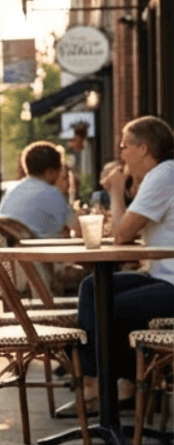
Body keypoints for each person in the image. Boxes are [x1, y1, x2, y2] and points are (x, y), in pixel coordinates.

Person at [76, 115, 174, 406]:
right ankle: (97, 382)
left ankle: (126, 386)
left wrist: (116, 190)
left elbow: (120, 235)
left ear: (143, 148)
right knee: (92, 287)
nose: (121, 153)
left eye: (125, 145)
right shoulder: (163, 173)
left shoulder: (163, 174)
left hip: (169, 281)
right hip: (161, 274)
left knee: (106, 306)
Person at [0, 141, 78, 238]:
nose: (60, 174)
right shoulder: (52, 194)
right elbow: (78, 228)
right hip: (37, 251)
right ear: (50, 172)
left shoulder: (11, 190)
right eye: (59, 170)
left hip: (8, 250)